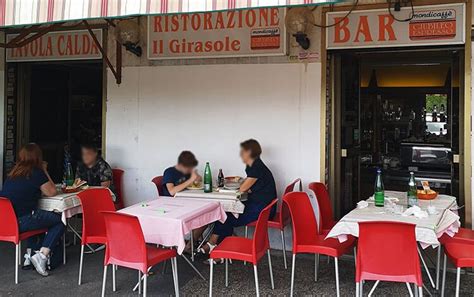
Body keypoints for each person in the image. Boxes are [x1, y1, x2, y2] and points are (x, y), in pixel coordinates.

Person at [200, 139, 277, 258]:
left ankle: (214, 245)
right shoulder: (256, 165)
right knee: (225, 214)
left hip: (262, 210)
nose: (241, 154)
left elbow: (243, 188)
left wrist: (241, 185)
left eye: (243, 151)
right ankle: (218, 249)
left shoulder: (256, 167)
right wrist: (243, 184)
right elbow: (251, 186)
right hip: (264, 206)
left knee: (224, 216)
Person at [0, 143, 63, 276]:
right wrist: (44, 169)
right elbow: (51, 192)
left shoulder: (12, 174)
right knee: (59, 221)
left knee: (37, 217)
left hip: (6, 223)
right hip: (22, 221)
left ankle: (29, 256)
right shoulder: (36, 172)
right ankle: (42, 255)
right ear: (38, 157)